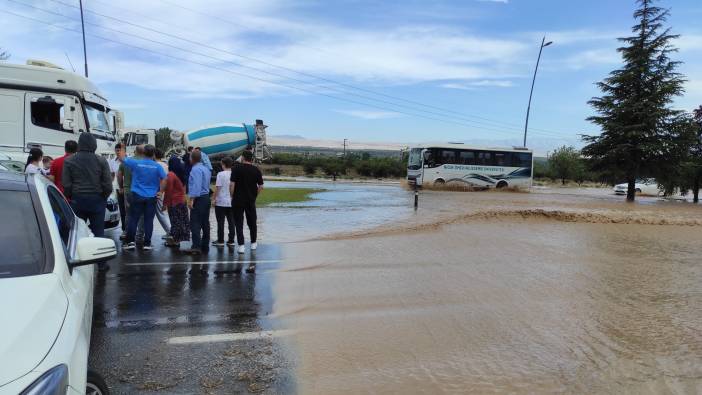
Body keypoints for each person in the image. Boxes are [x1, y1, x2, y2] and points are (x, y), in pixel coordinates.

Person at [63, 133, 113, 239]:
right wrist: (103, 197)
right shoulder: (101, 161)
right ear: (94, 144)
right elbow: (108, 185)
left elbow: (66, 184)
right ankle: (99, 253)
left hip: (77, 199)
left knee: (77, 233)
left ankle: (77, 254)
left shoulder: (69, 160)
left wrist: (71, 196)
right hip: (97, 199)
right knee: (98, 232)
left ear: (79, 144)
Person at [122, 144, 167, 251]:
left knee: (134, 219)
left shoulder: (136, 163)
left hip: (137, 195)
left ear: (143, 153)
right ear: (153, 154)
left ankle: (130, 242)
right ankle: (147, 243)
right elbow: (165, 179)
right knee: (148, 220)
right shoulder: (157, 166)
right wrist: (161, 191)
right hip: (151, 197)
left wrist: (122, 149)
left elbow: (122, 159)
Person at [229, 150, 263, 260]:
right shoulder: (256, 170)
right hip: (250, 200)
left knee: (238, 223)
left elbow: (232, 185)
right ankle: (253, 243)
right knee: (252, 222)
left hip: (238, 200)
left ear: (243, 157)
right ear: (252, 158)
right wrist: (254, 195)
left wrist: (232, 196)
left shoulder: (236, 169)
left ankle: (241, 246)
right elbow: (261, 186)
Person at [185, 150, 212, 255]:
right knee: (205, 223)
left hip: (199, 198)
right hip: (206, 197)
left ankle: (196, 246)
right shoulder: (206, 168)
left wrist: (191, 200)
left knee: (195, 223)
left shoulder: (195, 169)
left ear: (192, 158)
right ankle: (204, 244)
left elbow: (196, 185)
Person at [163, 156, 190, 247]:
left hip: (174, 201)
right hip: (182, 200)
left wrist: (164, 203)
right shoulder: (182, 174)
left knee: (175, 221)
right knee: (181, 220)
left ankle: (175, 241)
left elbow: (169, 190)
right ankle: (179, 239)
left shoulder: (171, 174)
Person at [213, 156, 235, 247]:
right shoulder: (234, 174)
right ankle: (231, 240)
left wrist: (214, 199)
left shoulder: (220, 174)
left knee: (220, 222)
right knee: (231, 222)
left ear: (224, 164)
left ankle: (221, 240)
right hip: (231, 201)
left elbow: (218, 187)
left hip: (221, 201)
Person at [154, 149, 171, 236]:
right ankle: (169, 231)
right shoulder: (165, 165)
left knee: (160, 213)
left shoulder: (156, 165)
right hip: (164, 190)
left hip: (158, 191)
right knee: (161, 212)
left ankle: (169, 231)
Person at [112, 144, 127, 232]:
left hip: (129, 189)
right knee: (122, 210)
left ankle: (132, 230)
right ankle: (124, 229)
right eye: (116, 150)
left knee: (130, 211)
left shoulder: (129, 160)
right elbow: (112, 175)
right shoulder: (113, 161)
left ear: (124, 150)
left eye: (119, 150)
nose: (118, 152)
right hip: (118, 189)